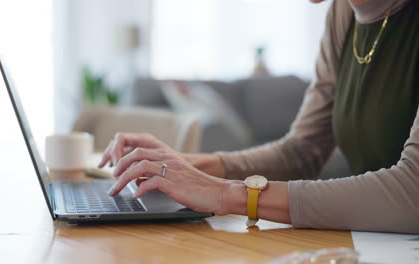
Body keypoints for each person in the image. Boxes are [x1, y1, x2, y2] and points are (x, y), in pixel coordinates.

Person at [98, 0, 419, 233]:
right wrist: (184, 167)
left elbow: (412, 191)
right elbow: (302, 152)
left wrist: (230, 193)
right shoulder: (342, 14)